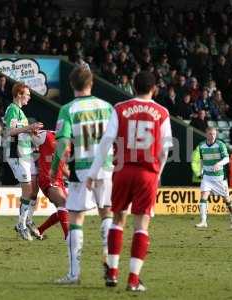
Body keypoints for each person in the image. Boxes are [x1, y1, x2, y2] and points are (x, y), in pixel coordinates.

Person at [86, 71, 173, 292]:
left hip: (122, 171)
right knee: (141, 224)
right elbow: (165, 150)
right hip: (147, 174)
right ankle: (133, 280)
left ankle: (113, 273)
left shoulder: (120, 108)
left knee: (117, 218)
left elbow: (106, 141)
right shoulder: (162, 112)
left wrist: (93, 171)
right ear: (154, 89)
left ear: (133, 86)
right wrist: (158, 173)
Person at [51, 66, 114, 285]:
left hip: (81, 168)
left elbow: (62, 143)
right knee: (107, 214)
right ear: (92, 83)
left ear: (71, 85)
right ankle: (109, 262)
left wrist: (54, 169)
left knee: (76, 218)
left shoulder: (68, 109)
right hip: (105, 166)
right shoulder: (107, 108)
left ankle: (74, 273)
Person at [4, 82, 43, 241]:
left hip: (26, 153)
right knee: (27, 190)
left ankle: (28, 220)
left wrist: (32, 136)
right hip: (16, 154)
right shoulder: (12, 109)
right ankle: (21, 224)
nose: (29, 97)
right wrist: (28, 128)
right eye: (27, 94)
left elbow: (22, 133)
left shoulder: (21, 113)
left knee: (35, 190)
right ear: (19, 94)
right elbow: (9, 132)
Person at [196, 127, 232, 229]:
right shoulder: (201, 145)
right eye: (210, 134)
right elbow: (202, 159)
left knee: (227, 199)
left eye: (214, 134)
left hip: (219, 177)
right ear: (206, 134)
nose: (213, 136)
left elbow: (227, 158)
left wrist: (219, 163)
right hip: (207, 176)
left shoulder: (220, 144)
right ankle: (203, 221)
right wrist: (201, 171)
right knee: (203, 196)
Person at [32, 130, 69, 239]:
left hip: (59, 180)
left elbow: (63, 165)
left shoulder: (67, 143)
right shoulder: (46, 135)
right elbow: (29, 137)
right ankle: (68, 236)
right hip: (47, 178)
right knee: (63, 203)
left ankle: (39, 230)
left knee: (67, 207)